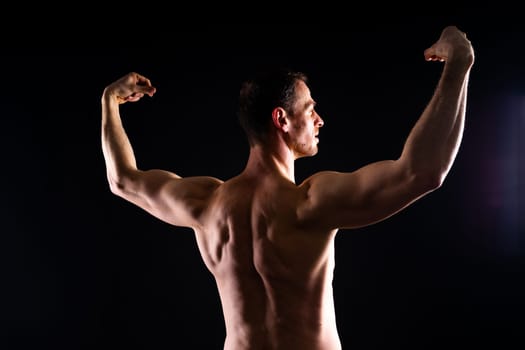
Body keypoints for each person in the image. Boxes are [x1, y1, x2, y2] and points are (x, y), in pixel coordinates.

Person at [100, 25, 474, 350]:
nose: (320, 120)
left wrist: (110, 103)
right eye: (310, 109)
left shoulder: (206, 204)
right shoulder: (309, 203)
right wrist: (459, 61)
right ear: (281, 119)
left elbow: (122, 180)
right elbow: (423, 172)